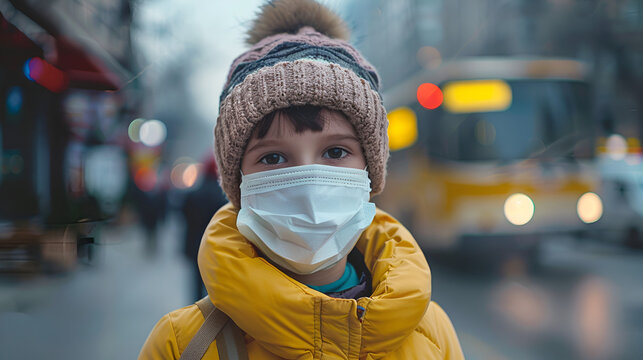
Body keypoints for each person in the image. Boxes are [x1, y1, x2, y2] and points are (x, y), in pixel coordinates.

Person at [139, 0, 464, 359]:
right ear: (239, 183)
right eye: (273, 157)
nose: (308, 182)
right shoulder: (182, 344)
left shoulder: (434, 333)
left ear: (370, 173)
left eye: (336, 152)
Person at [180, 155, 227, 302]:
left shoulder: (193, 194)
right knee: (214, 284)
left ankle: (196, 312)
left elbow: (184, 217)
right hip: (215, 248)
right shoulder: (223, 197)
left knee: (196, 282)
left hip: (195, 246)